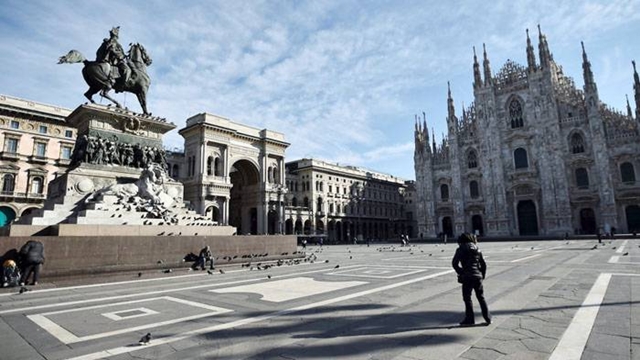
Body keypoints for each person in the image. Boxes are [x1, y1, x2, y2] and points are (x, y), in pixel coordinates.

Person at [452, 233, 491, 326]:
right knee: (481, 297)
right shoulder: (477, 249)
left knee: (467, 298)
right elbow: (483, 264)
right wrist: (482, 275)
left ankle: (469, 319)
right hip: (478, 276)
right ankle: (488, 318)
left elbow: (454, 263)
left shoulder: (460, 249)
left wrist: (461, 272)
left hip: (467, 277)